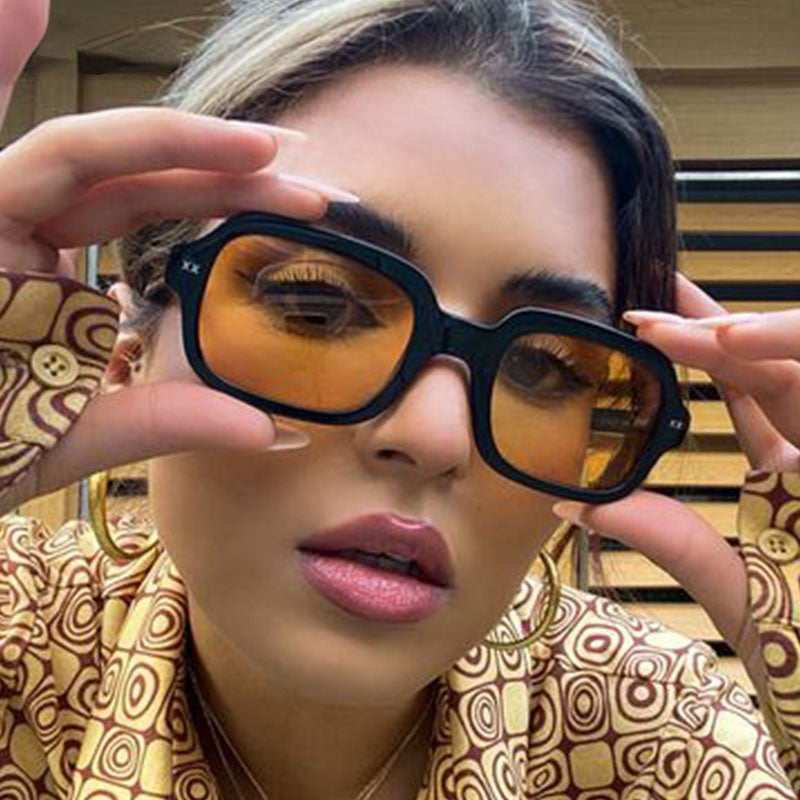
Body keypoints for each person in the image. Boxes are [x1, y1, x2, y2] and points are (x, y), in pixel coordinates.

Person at [0, 0, 798, 797]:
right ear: (126, 350)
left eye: (544, 366)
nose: (436, 435)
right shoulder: (17, 647)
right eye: (316, 304)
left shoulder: (665, 742)